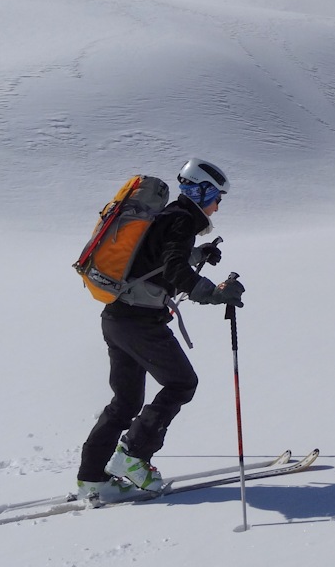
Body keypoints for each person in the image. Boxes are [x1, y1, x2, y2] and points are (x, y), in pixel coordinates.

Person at [76, 158, 245, 501]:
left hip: (118, 318)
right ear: (201, 192)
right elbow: (172, 268)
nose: (219, 204)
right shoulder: (181, 221)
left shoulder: (170, 217)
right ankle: (133, 457)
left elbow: (155, 258)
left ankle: (92, 479)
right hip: (139, 322)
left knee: (125, 403)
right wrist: (213, 292)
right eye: (217, 196)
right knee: (182, 383)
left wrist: (198, 253)